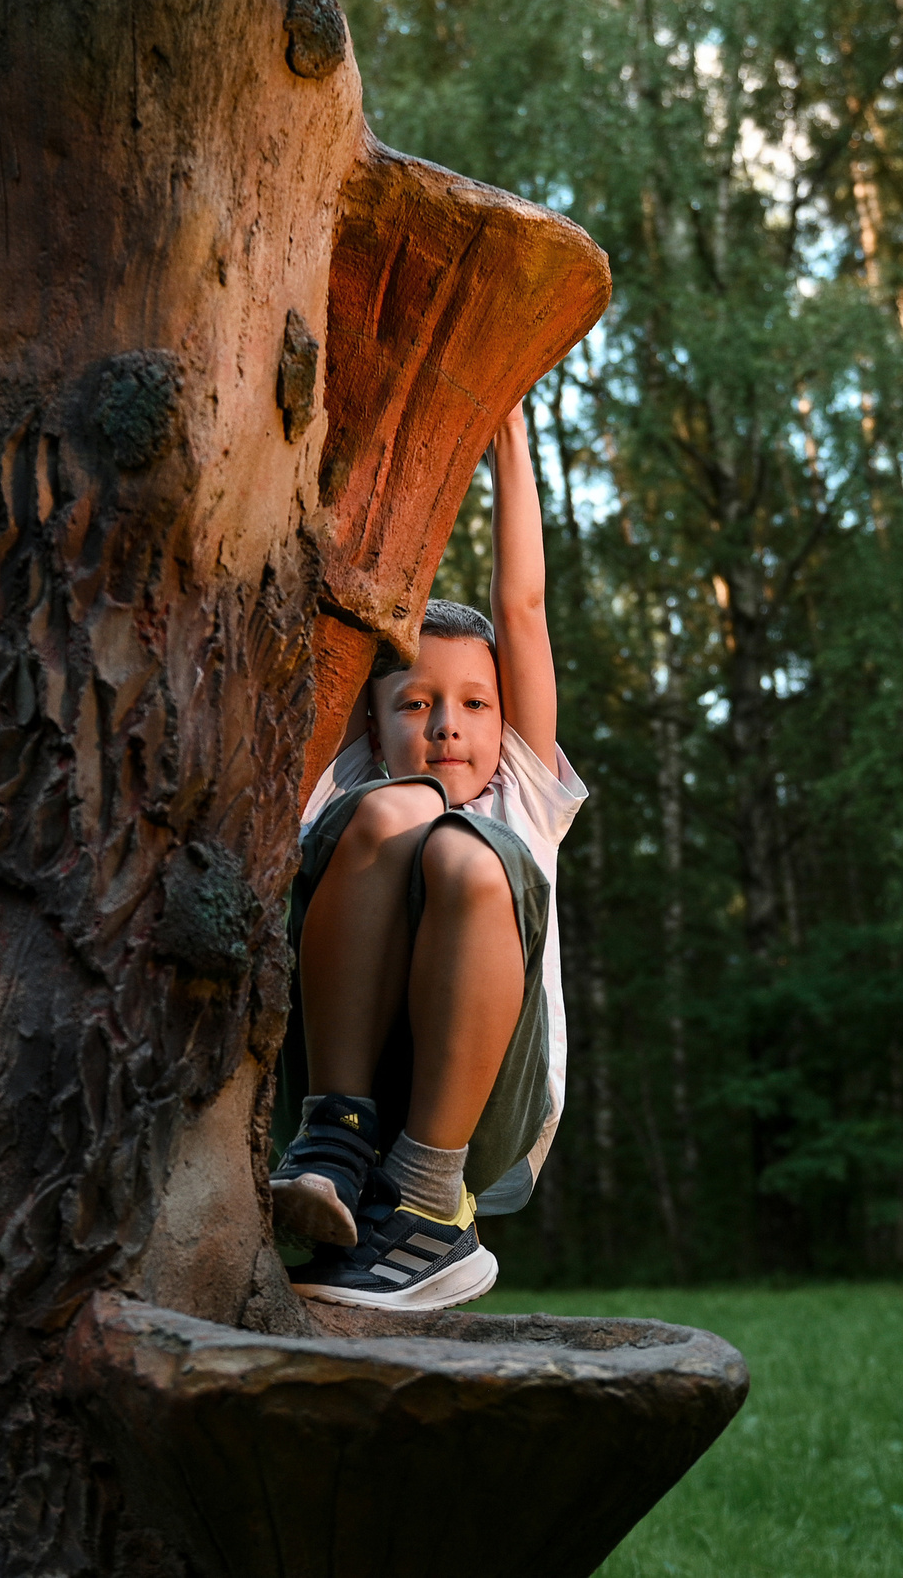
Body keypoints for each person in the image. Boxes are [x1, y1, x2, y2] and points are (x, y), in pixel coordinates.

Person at [272, 401, 586, 1310]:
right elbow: (335, 603)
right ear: (372, 723)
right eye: (415, 703)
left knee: (458, 847)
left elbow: (521, 609)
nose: (448, 723)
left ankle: (428, 1210)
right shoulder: (351, 787)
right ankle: (332, 1144)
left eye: (475, 704)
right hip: (327, 1094)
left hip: (486, 1115)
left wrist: (508, 431)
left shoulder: (521, 791)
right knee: (397, 810)